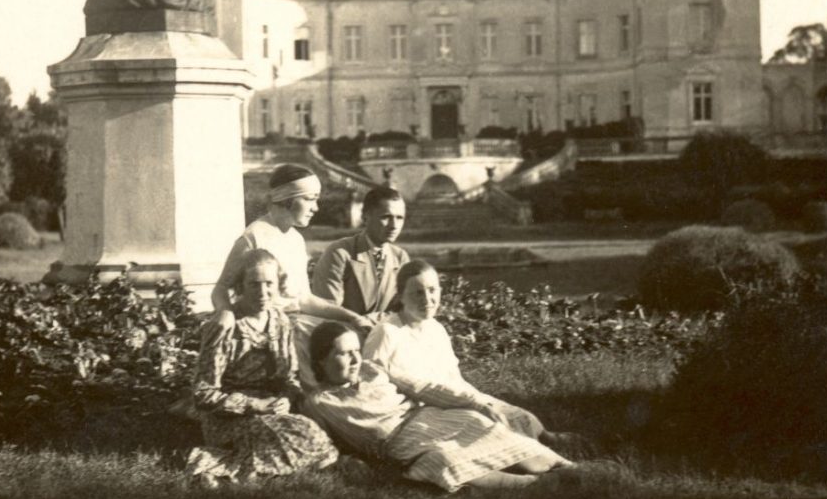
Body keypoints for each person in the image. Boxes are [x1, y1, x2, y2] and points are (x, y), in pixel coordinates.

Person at [303, 323, 572, 492]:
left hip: (427, 416)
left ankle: (563, 465)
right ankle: (530, 484)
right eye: (343, 353)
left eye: (356, 351)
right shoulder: (319, 402)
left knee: (481, 424)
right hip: (397, 442)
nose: (354, 359)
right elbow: (325, 444)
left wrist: (474, 402)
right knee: (442, 460)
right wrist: (350, 460)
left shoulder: (372, 369)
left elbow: (423, 389)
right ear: (322, 361)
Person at [363, 260, 573, 449]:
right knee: (490, 426)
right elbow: (370, 385)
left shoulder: (435, 329)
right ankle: (532, 454)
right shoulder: (387, 332)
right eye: (417, 293)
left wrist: (481, 401)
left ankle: (548, 440)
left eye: (432, 290)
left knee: (519, 417)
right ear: (400, 297)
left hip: (453, 398)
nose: (427, 299)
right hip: (420, 409)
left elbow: (455, 379)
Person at [186, 249, 338, 486]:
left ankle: (260, 468)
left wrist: (286, 398)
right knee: (273, 434)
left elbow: (289, 378)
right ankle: (218, 464)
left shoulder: (281, 322)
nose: (263, 292)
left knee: (309, 431)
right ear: (240, 286)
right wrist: (252, 405)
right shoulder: (225, 326)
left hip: (272, 408)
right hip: (227, 418)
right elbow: (202, 394)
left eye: (270, 283)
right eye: (254, 284)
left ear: (279, 284)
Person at [210, 163, 373, 339]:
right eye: (310, 199)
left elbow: (304, 300)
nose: (316, 208)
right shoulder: (254, 237)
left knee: (357, 332)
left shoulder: (295, 239)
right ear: (288, 199)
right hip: (266, 329)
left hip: (295, 323)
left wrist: (352, 316)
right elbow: (220, 289)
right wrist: (225, 312)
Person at [311, 185, 410, 324]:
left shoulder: (400, 258)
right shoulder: (340, 253)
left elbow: (404, 309)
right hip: (345, 337)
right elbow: (328, 310)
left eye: (400, 218)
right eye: (386, 217)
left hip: (386, 336)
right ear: (365, 217)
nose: (394, 225)